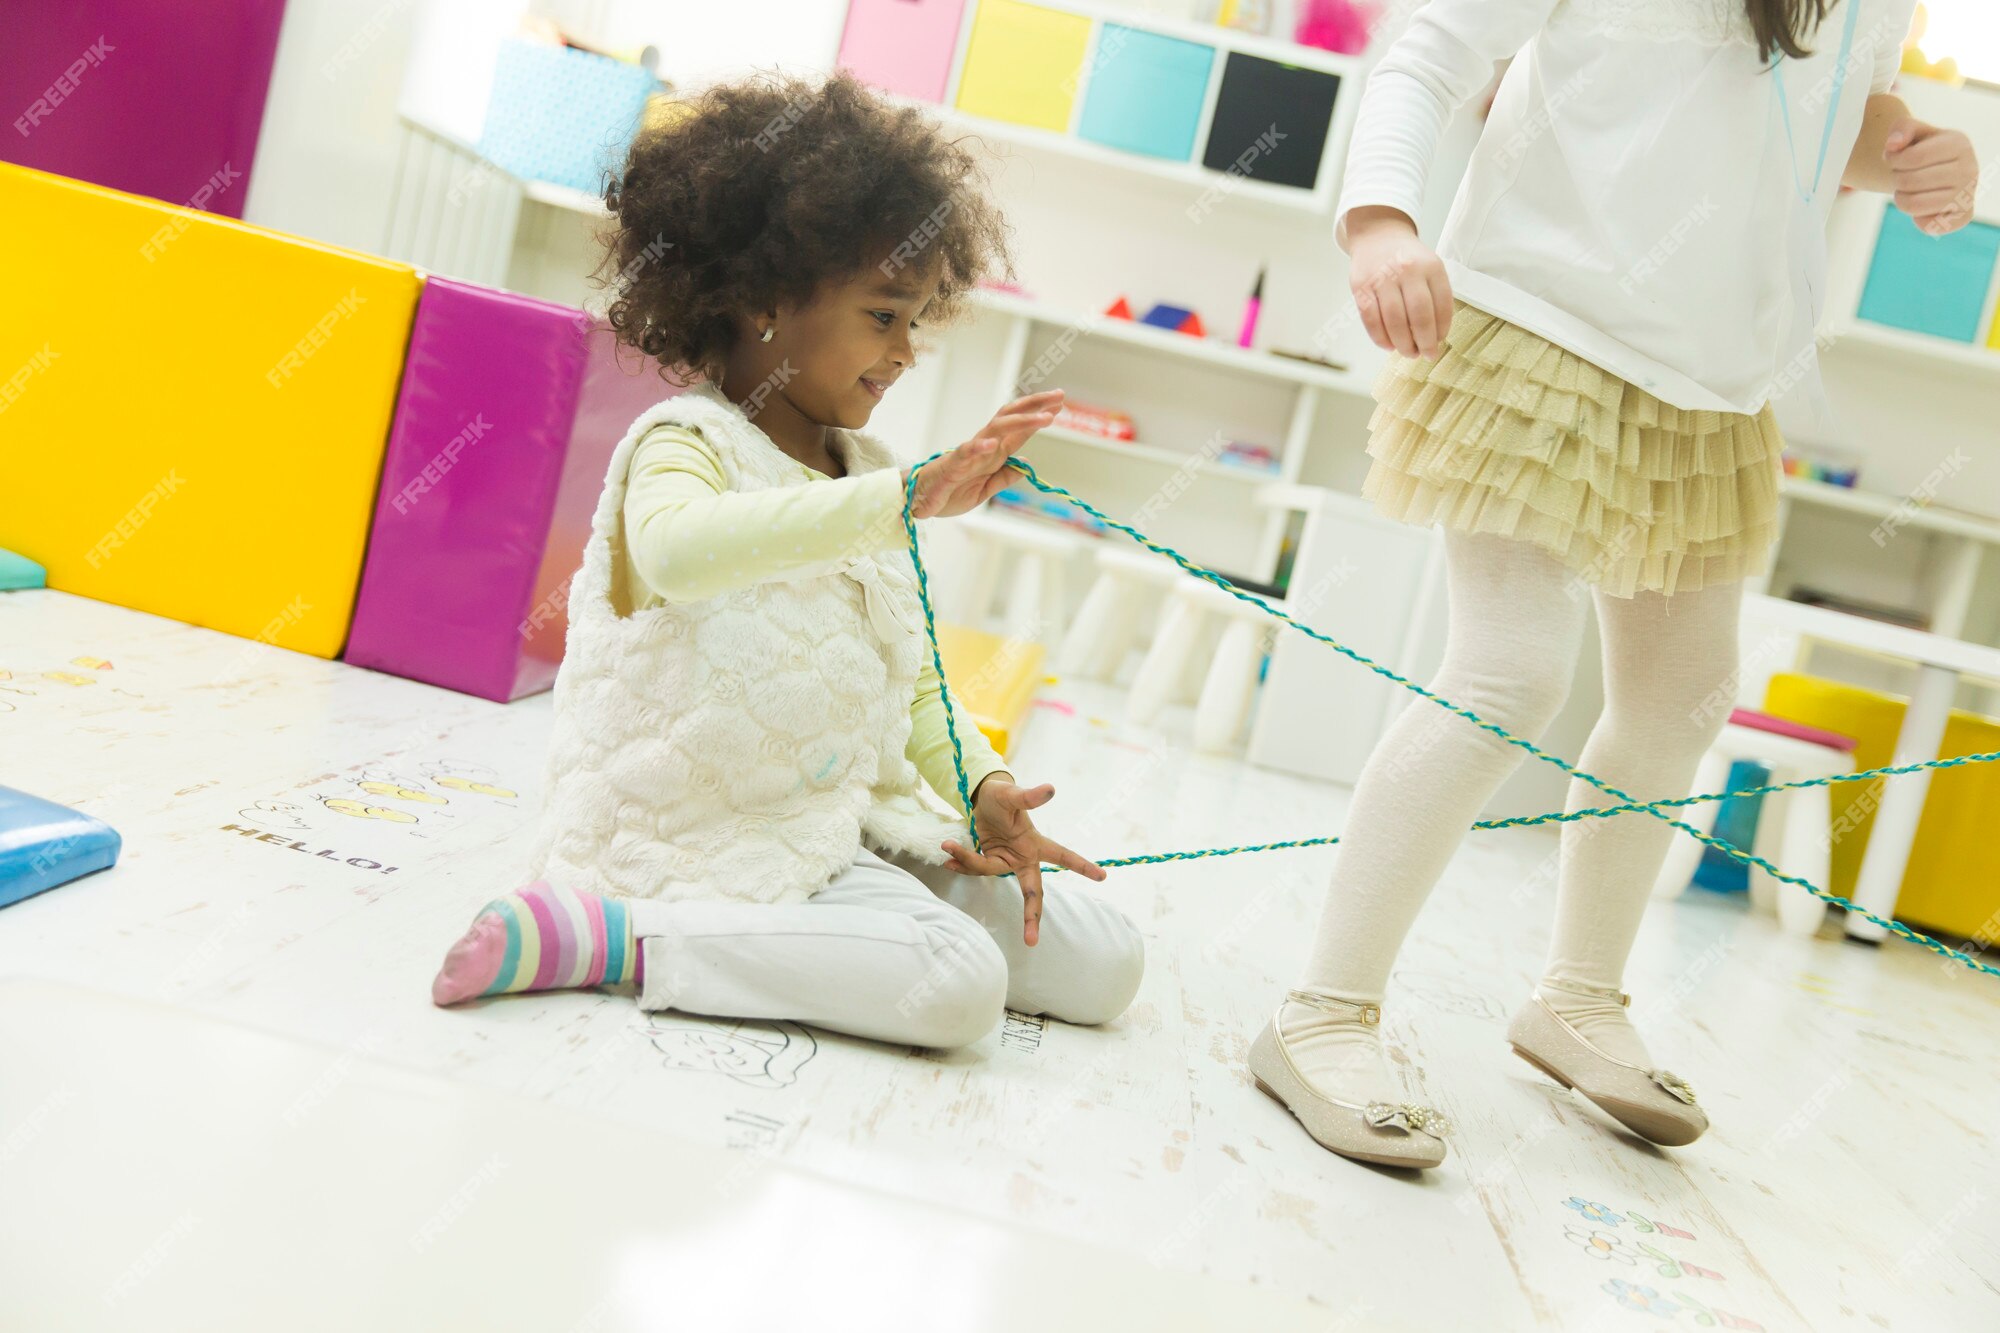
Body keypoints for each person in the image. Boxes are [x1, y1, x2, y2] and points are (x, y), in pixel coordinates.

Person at [1252, 0, 1975, 1167]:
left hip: (1711, 381)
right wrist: (1380, 222)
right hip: (1533, 327)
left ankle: (1578, 998)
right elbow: (1430, 48)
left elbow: (1818, 106)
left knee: (1681, 697)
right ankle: (1322, 1009)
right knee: (1508, 671)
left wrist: (1910, 155)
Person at [432, 72, 1144, 1049]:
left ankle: (840, 922)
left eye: (917, 323)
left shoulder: (866, 467)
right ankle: (613, 936)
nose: (902, 353)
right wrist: (899, 504)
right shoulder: (684, 442)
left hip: (832, 826)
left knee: (1105, 959)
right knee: (955, 982)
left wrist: (984, 792)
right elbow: (678, 554)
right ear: (766, 297)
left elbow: (918, 680)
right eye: (883, 314)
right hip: (696, 836)